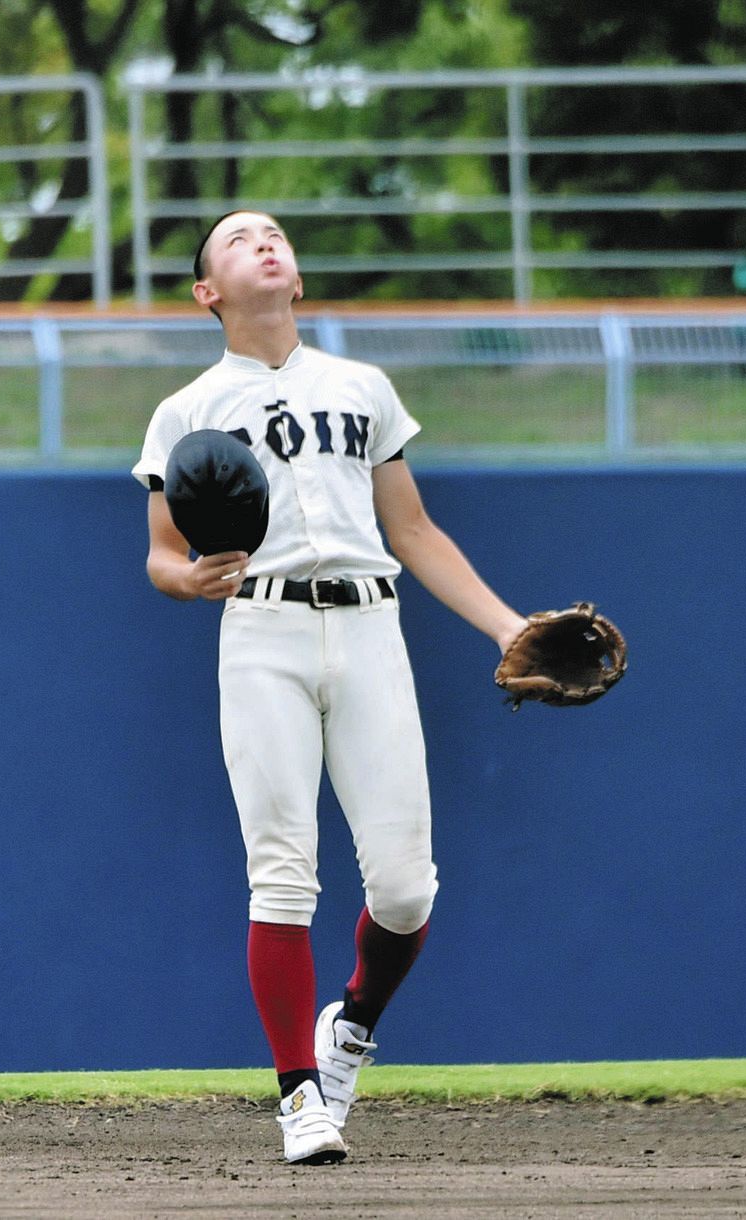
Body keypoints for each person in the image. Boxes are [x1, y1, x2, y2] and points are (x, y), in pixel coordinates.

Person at [133, 211, 527, 1165]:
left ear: (297, 278)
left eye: (275, 235)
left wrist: (510, 626)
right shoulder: (187, 410)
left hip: (368, 625)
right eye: (237, 241)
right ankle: (299, 1096)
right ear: (207, 292)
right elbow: (160, 555)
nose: (264, 243)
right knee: (283, 873)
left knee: (402, 888)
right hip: (261, 630)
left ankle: (349, 1025)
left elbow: (416, 532)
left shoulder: (361, 388)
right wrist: (191, 578)